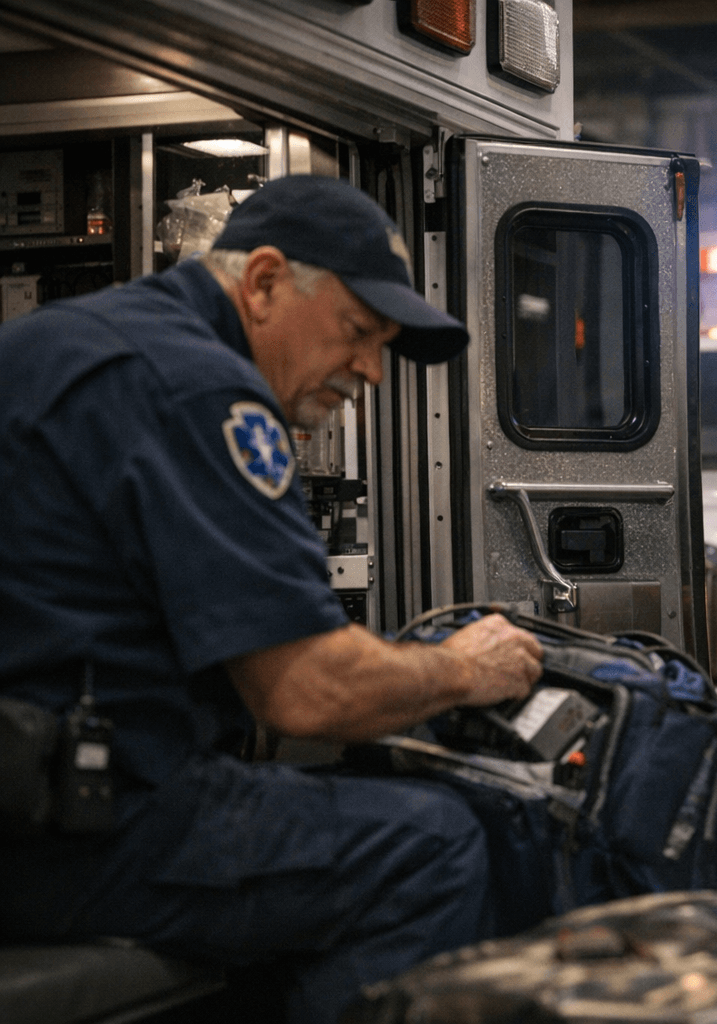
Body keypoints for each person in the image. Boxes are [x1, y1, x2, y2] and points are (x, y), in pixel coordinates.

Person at [0, 175, 544, 1024]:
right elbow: (309, 690)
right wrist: (461, 671)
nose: (370, 369)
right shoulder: (204, 388)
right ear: (261, 283)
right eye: (359, 333)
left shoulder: (56, 341)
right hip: (71, 837)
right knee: (432, 844)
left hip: (27, 799)